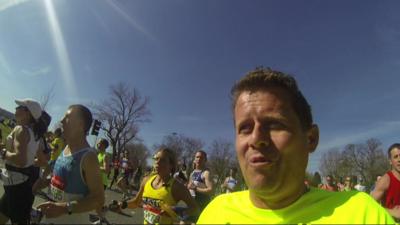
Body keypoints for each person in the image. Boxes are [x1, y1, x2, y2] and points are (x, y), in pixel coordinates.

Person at [197, 68, 394, 224]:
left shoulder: (360, 213)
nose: (256, 139)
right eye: (245, 128)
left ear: (310, 139)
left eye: (274, 124)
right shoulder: (216, 212)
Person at [35, 104, 105, 222]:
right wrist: (46, 182)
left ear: (80, 125)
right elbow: (63, 178)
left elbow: (99, 199)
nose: (62, 120)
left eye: (67, 117)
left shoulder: (89, 157)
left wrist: (64, 208)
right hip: (50, 218)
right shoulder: (67, 147)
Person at [114, 148, 199, 224]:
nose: (157, 162)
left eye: (163, 160)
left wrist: (175, 211)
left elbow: (194, 208)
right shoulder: (146, 180)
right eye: (156, 159)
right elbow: (136, 202)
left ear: (171, 165)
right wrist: (122, 204)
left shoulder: (177, 187)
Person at [0, 98, 50, 224]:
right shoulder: (35, 135)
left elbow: (20, 160)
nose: (16, 109)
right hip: (19, 185)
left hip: (17, 187)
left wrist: (3, 153)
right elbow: (43, 162)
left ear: (28, 113)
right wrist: (29, 162)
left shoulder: (21, 129)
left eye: (19, 107)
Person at [371, 143, 400, 220]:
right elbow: (369, 206)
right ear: (390, 161)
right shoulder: (386, 180)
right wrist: (392, 212)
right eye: (395, 157)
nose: (399, 159)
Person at [187, 150, 214, 221]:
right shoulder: (192, 173)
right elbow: (190, 187)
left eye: (201, 158)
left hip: (202, 204)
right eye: (197, 157)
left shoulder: (206, 173)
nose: (199, 159)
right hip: (192, 203)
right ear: (194, 159)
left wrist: (196, 188)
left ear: (205, 160)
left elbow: (210, 190)